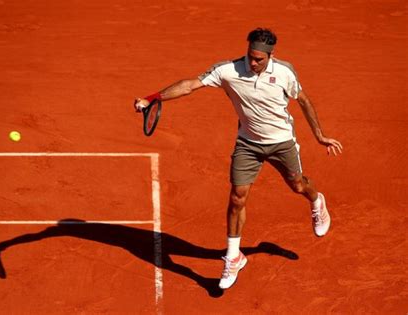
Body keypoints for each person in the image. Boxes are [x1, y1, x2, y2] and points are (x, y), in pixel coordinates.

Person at [133, 28, 343, 290]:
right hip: (248, 144)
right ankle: (234, 255)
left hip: (281, 143)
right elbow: (189, 85)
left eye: (259, 59)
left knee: (298, 185)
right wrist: (152, 98)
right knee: (237, 197)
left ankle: (316, 200)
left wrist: (320, 135)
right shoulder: (228, 70)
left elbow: (304, 100)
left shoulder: (284, 72)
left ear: (270, 55)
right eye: (250, 57)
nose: (253, 63)